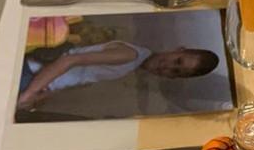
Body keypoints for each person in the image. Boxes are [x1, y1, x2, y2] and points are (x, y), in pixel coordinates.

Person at [18, 39, 220, 109]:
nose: (167, 67)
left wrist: (40, 96)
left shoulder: (133, 64)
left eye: (176, 72)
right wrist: (28, 95)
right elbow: (69, 60)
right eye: (178, 61)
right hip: (28, 75)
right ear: (179, 49)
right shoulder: (130, 55)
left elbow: (74, 77)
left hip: (36, 82)